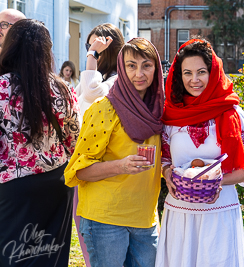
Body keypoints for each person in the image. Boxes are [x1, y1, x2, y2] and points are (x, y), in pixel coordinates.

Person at [155, 39, 244, 267]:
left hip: (219, 212)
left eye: (201, 72)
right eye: (187, 73)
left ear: (213, 72)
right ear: (178, 75)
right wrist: (166, 173)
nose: (194, 80)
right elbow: (164, 159)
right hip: (180, 212)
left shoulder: (232, 112)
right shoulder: (171, 114)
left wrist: (215, 180)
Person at [64, 37, 164, 267]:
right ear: (121, 67)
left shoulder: (160, 110)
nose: (139, 73)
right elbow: (78, 171)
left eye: (146, 65)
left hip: (145, 219)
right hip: (105, 220)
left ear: (156, 69)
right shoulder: (104, 108)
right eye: (131, 65)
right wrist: (121, 165)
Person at [0, 19, 80, 266]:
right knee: (50, 257)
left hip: (13, 187)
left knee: (12, 256)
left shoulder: (2, 87)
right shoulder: (63, 89)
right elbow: (75, 139)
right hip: (56, 184)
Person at [73, 23, 124, 266]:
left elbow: (93, 95)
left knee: (95, 230)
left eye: (98, 47)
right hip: (82, 161)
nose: (91, 52)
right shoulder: (92, 76)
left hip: (102, 164)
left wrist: (91, 57)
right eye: (89, 46)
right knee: (83, 228)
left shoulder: (117, 80)